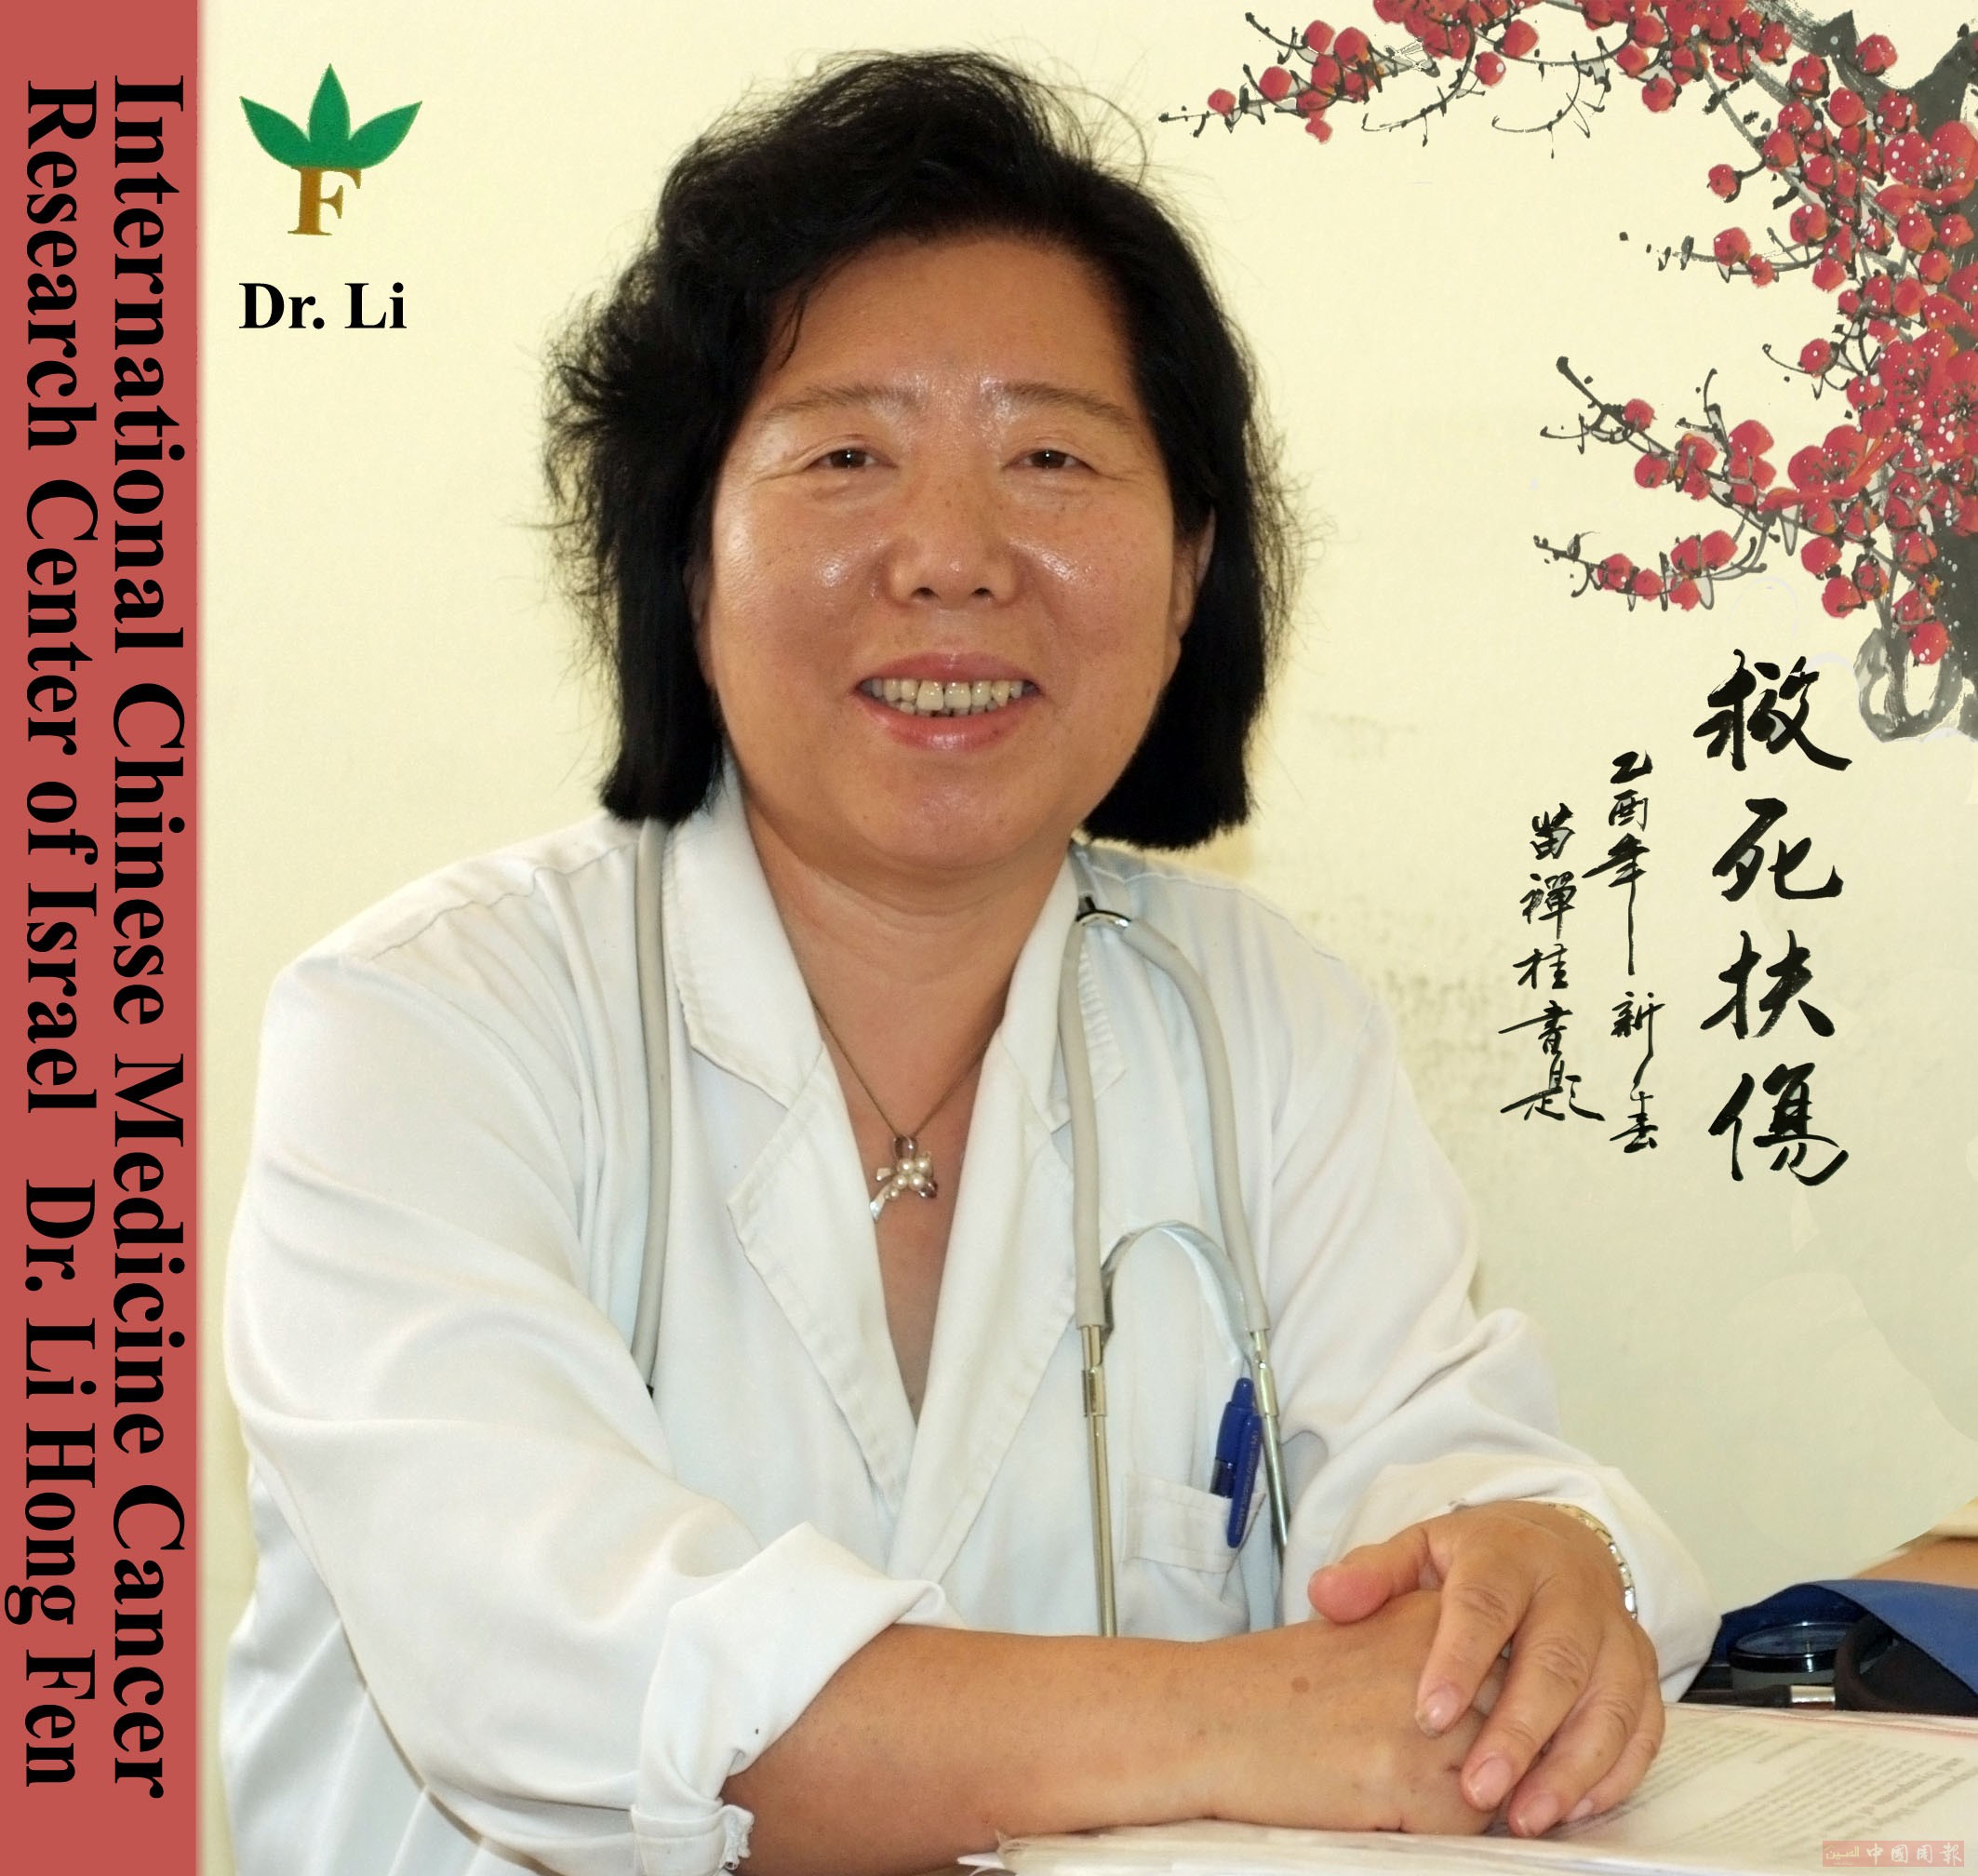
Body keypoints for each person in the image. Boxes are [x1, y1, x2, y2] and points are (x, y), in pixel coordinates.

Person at [221, 48, 1717, 1876]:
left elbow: (1449, 1469)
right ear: (685, 556)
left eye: (1051, 459)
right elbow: (566, 1680)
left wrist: (1546, 1564)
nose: (948, 557)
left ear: (1188, 571)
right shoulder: (425, 1026)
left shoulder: (1258, 1017)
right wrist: (1252, 1718)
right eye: (845, 456)